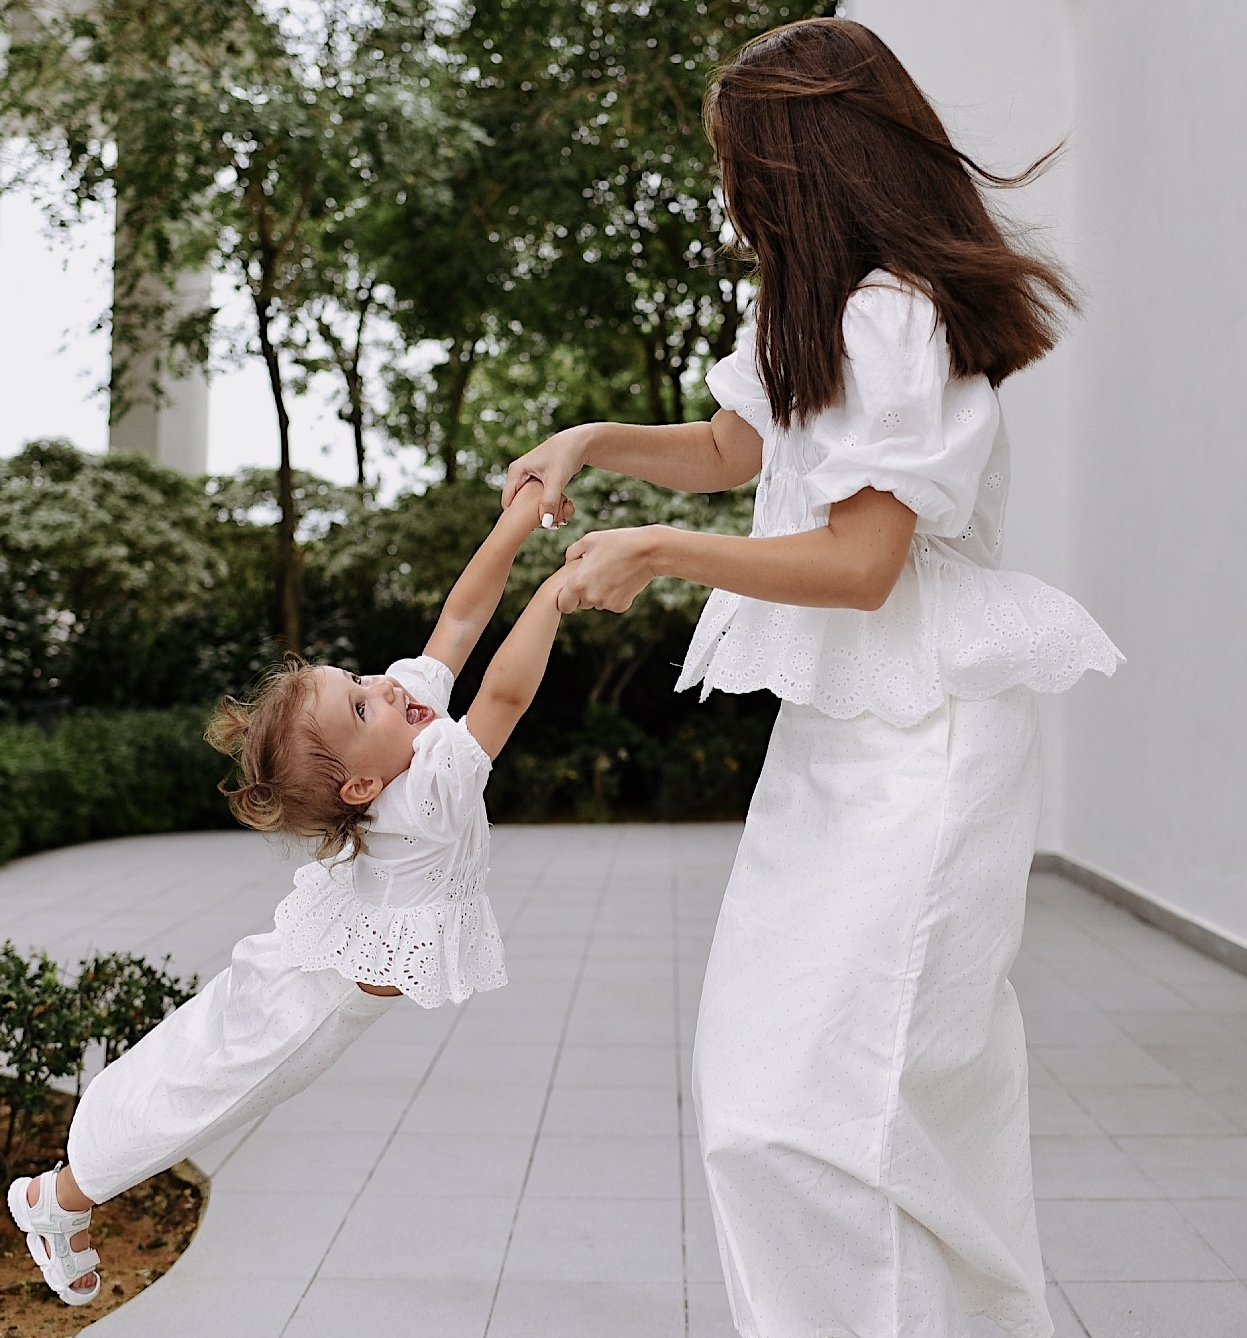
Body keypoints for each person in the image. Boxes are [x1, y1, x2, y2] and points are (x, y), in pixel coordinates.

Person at [504, 18, 1121, 1338]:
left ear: (805, 160)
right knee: (770, 1094)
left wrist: (664, 553)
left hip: (925, 744)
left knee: (832, 1110)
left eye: (740, 163)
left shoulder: (896, 316)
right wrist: (587, 441)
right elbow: (738, 445)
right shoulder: (814, 304)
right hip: (838, 743)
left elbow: (861, 563)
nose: (727, 193)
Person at [6, 479, 575, 1305]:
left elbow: (459, 621)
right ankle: (58, 1198)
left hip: (322, 948)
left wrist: (518, 520)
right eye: (361, 700)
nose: (385, 684)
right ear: (360, 785)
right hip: (316, 1001)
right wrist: (556, 593)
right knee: (204, 1087)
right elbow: (506, 695)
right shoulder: (427, 791)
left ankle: (59, 1188)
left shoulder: (402, 724)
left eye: (360, 678)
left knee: (198, 1042)